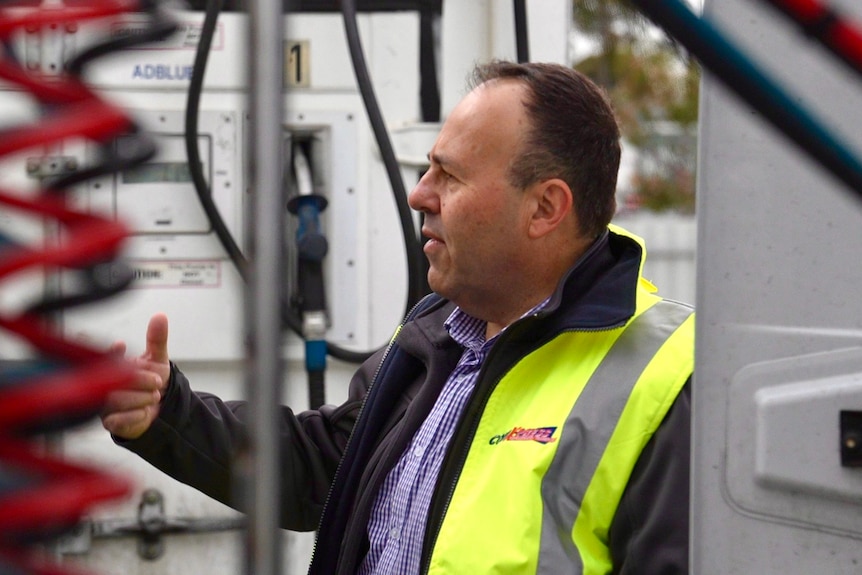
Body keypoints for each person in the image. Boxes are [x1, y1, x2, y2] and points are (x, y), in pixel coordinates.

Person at [101, 60, 694, 574]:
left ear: (545, 207)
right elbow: (321, 467)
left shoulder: (664, 383)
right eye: (428, 168)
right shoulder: (439, 332)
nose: (419, 194)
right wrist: (167, 414)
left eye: (450, 175)